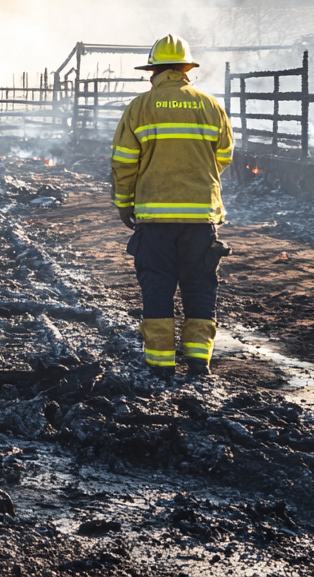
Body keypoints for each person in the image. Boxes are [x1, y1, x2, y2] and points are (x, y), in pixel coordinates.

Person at [110, 35, 233, 378]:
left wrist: (124, 204)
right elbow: (223, 156)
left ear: (154, 71)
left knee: (158, 286)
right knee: (200, 286)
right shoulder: (210, 106)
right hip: (201, 219)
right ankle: (198, 361)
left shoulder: (140, 107)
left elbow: (123, 162)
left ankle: (161, 365)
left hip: (154, 219)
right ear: (186, 70)